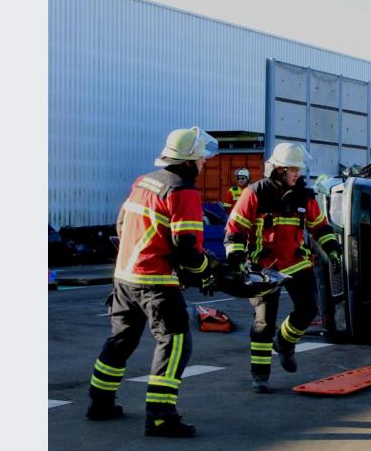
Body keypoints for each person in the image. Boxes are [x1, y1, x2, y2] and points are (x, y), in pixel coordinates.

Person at [86, 127, 218, 438]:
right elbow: (187, 245)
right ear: (188, 161)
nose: (204, 165)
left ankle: (100, 403)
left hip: (124, 278)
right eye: (201, 160)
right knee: (175, 343)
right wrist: (204, 271)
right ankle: (160, 417)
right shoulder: (183, 191)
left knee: (121, 340)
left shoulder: (143, 182)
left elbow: (121, 224)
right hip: (155, 282)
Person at [224, 142, 341, 393]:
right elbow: (235, 228)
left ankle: (285, 343)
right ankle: (260, 375)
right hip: (263, 267)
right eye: (292, 169)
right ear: (278, 170)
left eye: (298, 169)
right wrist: (235, 258)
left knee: (309, 309)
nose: (297, 173)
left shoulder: (305, 196)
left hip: (297, 263)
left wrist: (332, 249)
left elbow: (319, 227)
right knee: (263, 323)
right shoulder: (255, 193)